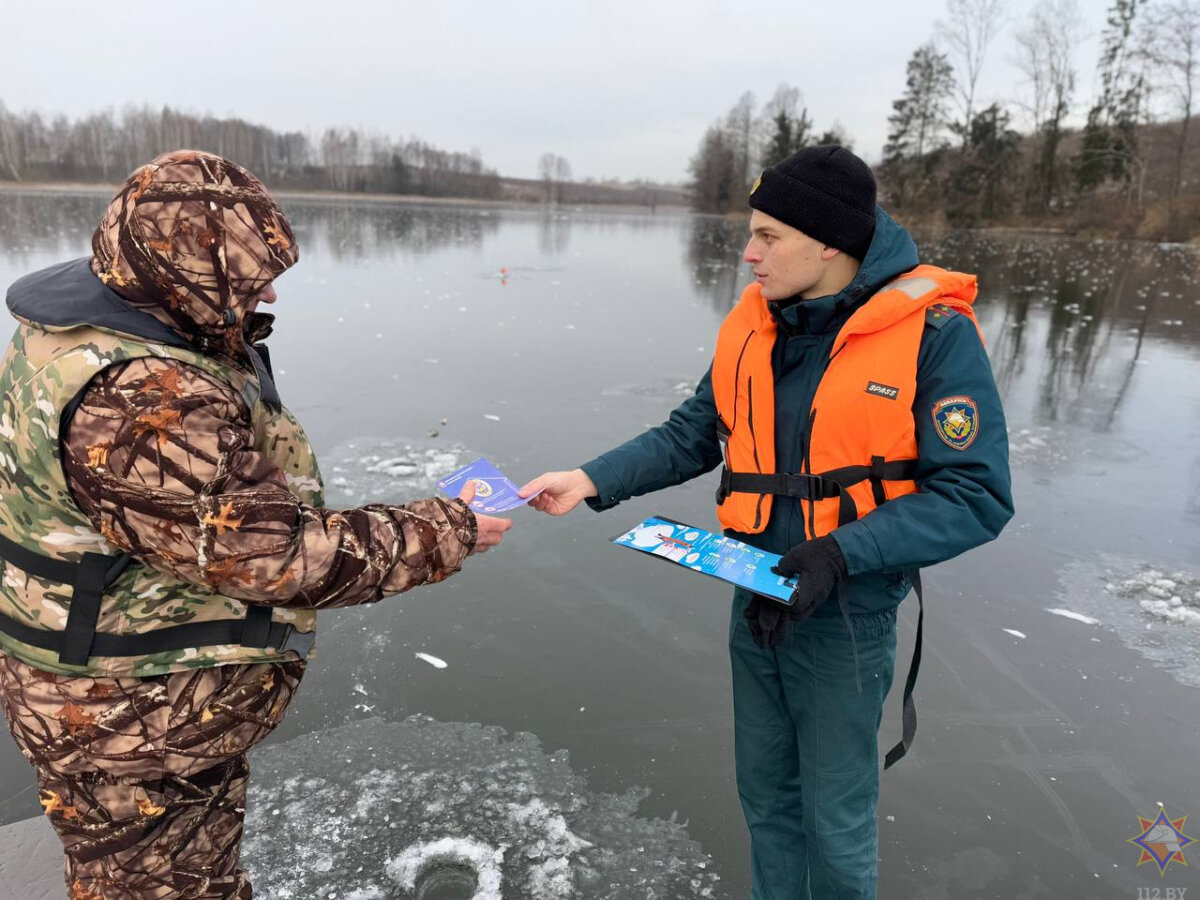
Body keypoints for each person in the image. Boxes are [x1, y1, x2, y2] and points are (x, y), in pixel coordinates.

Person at [0, 150, 511, 900]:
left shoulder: (97, 332)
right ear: (184, 268)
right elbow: (272, 557)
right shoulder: (140, 397)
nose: (269, 289)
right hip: (128, 719)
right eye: (248, 273)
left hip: (121, 700)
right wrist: (447, 528)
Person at [520, 145, 1013, 900]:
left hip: (845, 612)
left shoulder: (933, 335)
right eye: (751, 233)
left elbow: (976, 494)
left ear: (830, 242)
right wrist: (589, 478)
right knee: (766, 800)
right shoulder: (756, 326)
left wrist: (841, 553)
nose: (748, 254)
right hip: (756, 595)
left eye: (769, 236)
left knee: (836, 818)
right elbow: (692, 432)